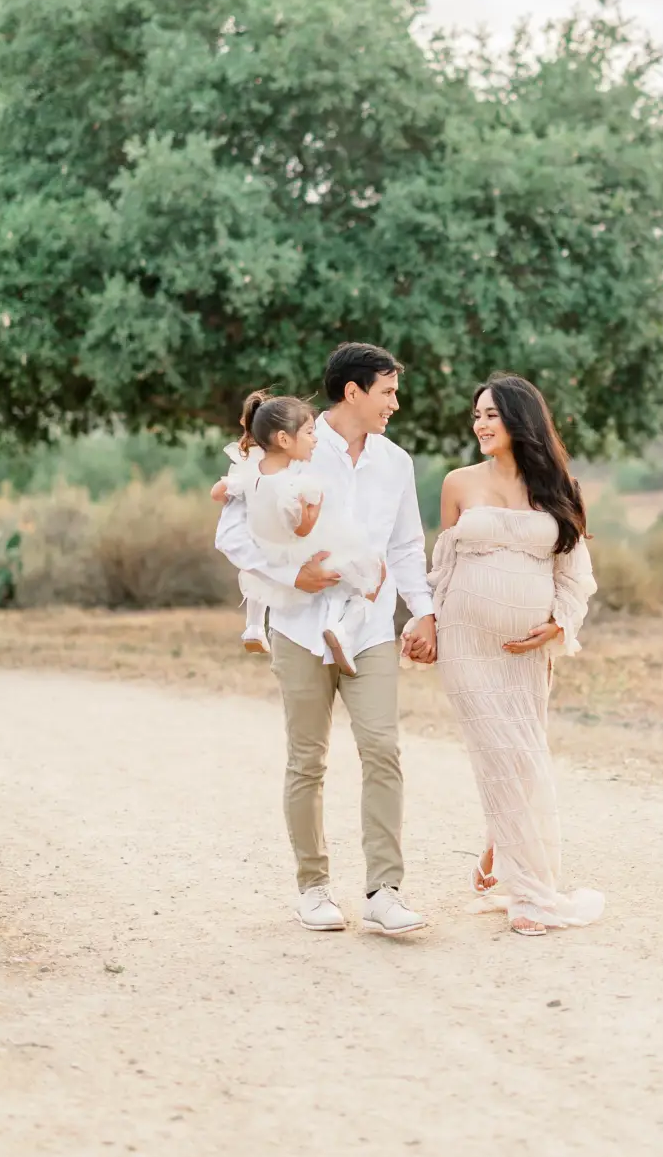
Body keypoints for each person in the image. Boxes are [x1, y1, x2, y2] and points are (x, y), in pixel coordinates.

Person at [214, 343, 437, 936]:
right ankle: (312, 888)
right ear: (354, 392)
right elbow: (231, 531)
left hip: (369, 628)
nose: (396, 402)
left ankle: (384, 890)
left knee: (382, 749)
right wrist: (294, 576)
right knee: (307, 760)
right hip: (298, 627)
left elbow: (407, 546)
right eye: (388, 390)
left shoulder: (397, 462)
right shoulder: (294, 447)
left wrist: (425, 612)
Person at [431, 375, 604, 936]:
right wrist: (427, 620)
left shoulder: (559, 488)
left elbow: (573, 574)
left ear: (520, 420)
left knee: (523, 755)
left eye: (491, 415)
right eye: (476, 414)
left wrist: (556, 626)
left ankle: (500, 849)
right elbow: (443, 566)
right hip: (467, 643)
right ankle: (530, 895)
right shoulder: (458, 483)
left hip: (527, 652)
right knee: (499, 752)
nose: (480, 424)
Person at [212, 390, 385, 675]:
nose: (315, 439)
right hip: (299, 553)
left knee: (256, 581)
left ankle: (254, 626)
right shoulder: (293, 484)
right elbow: (302, 529)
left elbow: (218, 492)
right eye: (309, 432)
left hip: (268, 547)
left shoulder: (250, 472)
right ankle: (344, 628)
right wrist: (314, 510)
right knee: (374, 569)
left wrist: (232, 489)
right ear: (284, 439)